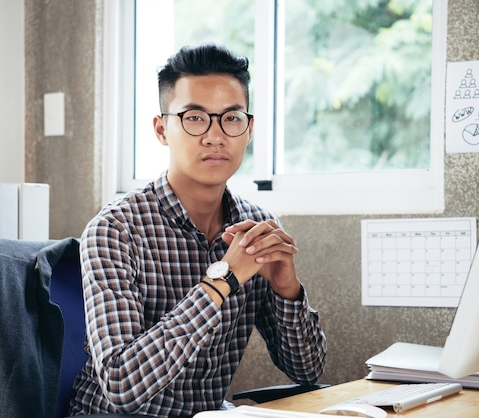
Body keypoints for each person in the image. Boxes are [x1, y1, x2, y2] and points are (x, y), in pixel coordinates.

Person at [69, 43, 327, 417]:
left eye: (231, 118)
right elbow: (120, 385)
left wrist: (287, 290)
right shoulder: (114, 230)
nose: (215, 136)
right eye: (194, 118)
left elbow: (308, 370)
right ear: (162, 129)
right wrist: (223, 279)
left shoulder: (255, 228)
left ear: (249, 129)